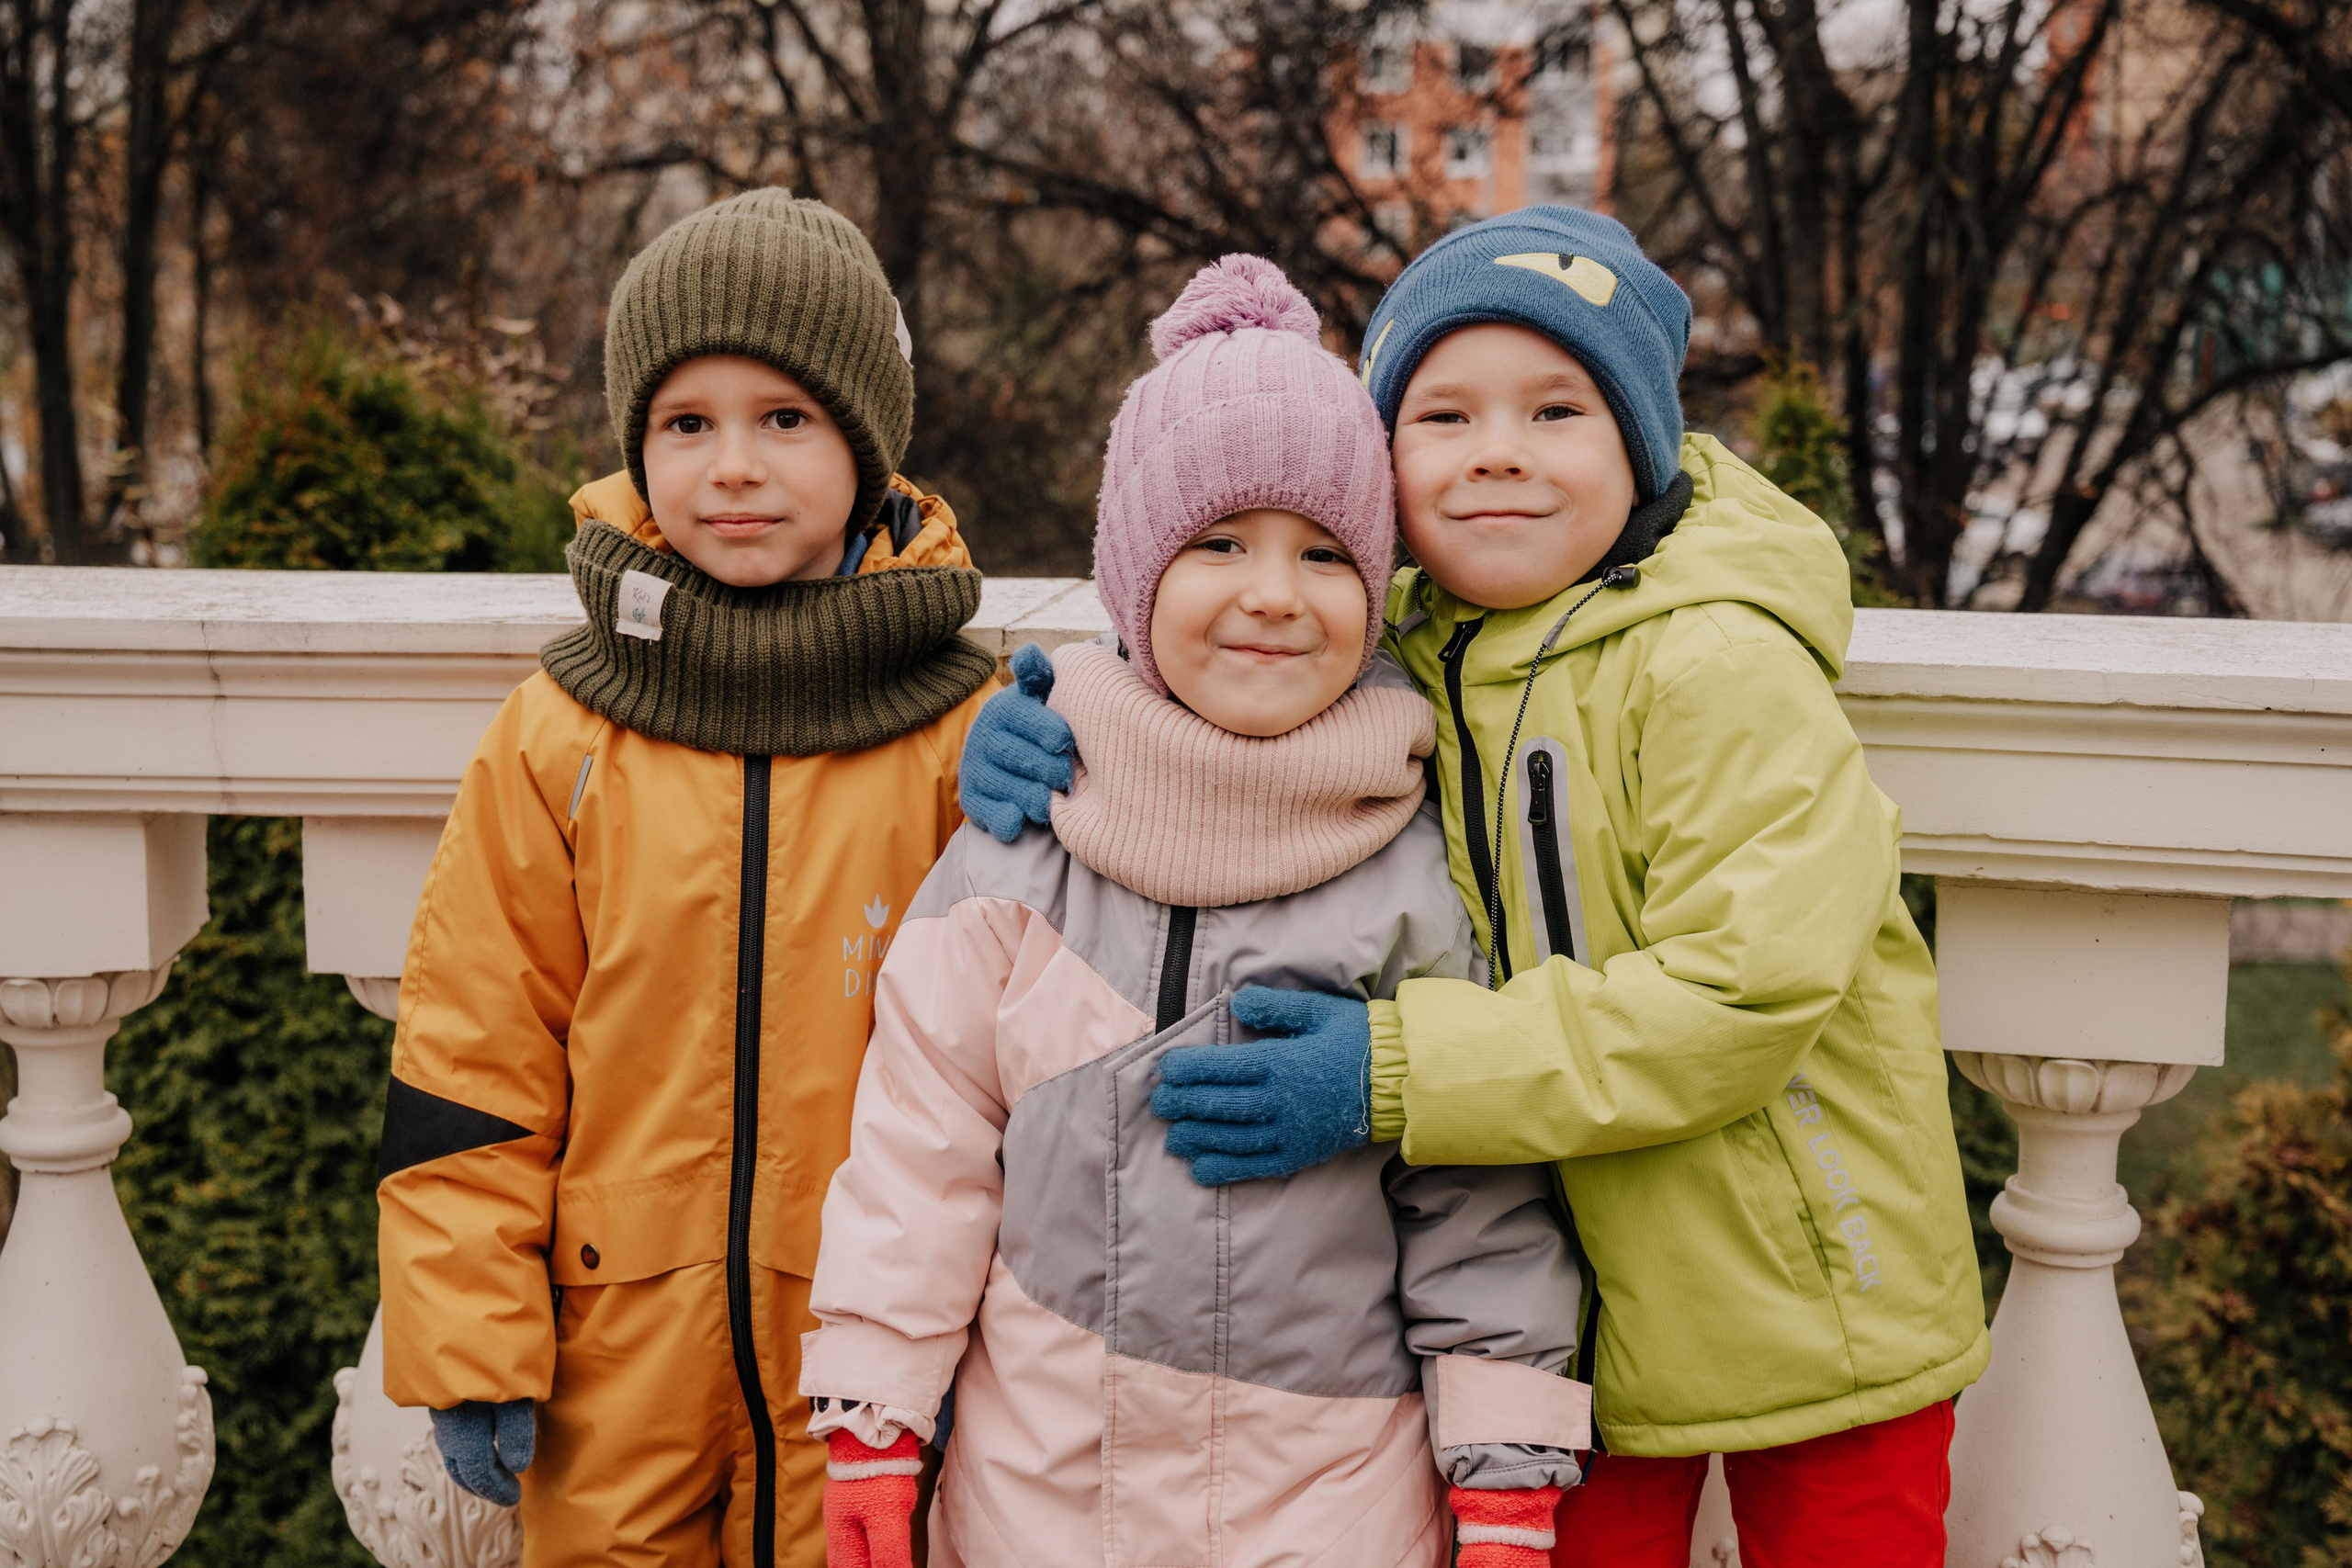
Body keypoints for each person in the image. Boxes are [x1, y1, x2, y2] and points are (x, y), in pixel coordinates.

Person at [958, 208, 1988, 1568]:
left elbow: (1744, 993)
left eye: (1556, 408)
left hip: (1809, 1284)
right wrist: (1061, 711)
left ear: (1643, 444)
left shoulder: (1716, 664)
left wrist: (1389, 1071)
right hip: (1577, 1316)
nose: (1496, 449)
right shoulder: (1418, 650)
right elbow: (1215, 633)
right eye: (1441, 416)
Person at [800, 255, 1590, 1568]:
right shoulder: (1023, 848)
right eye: (1219, 545)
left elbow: (1478, 1191)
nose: (1273, 594)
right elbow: (918, 1146)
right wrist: (877, 1414)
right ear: (1132, 578)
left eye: (1326, 554)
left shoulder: (1416, 880)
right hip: (1037, 1491)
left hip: (1329, 1496)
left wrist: (1505, 1479)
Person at [374, 187, 1000, 1568]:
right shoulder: (566, 730)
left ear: (867, 442)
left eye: (786, 419)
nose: (733, 466)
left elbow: (1031, 1064)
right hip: (614, 1362)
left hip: (876, 1366)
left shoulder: (963, 730)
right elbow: (475, 1048)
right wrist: (471, 1330)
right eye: (686, 423)